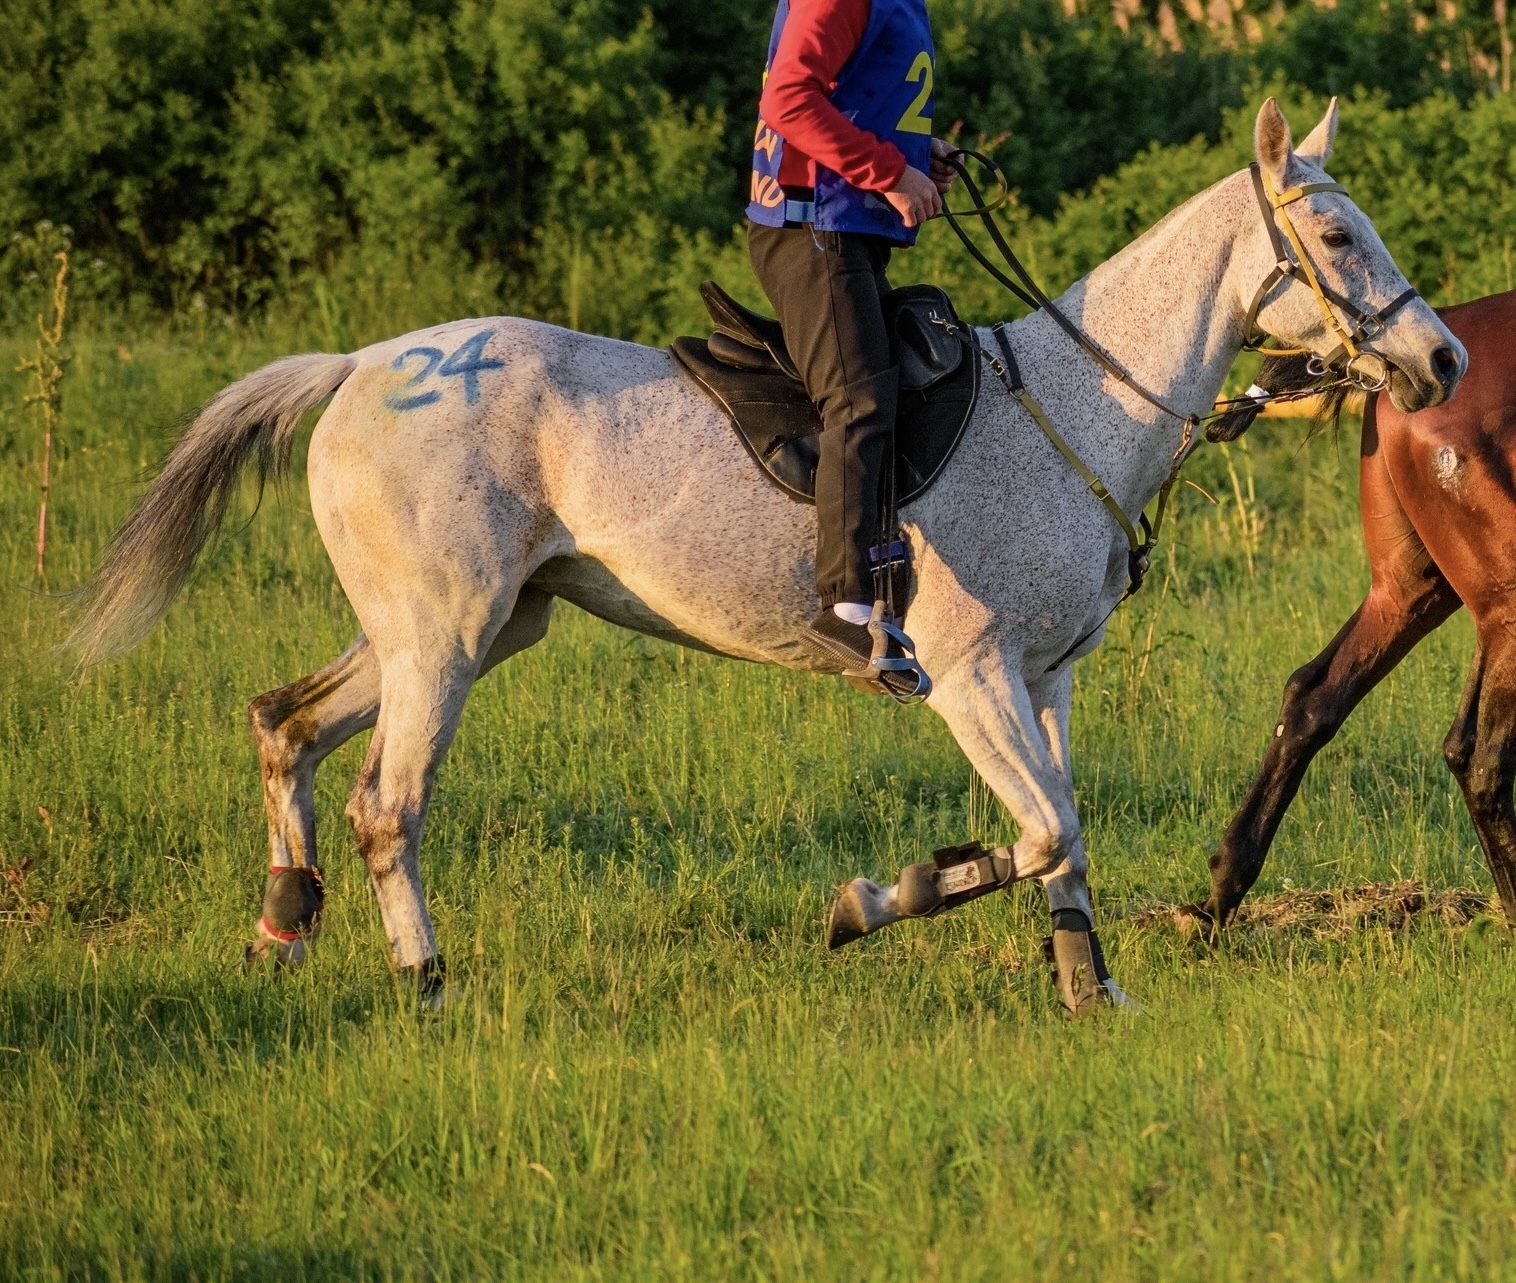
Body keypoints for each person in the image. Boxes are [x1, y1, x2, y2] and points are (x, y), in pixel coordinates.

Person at [747, 0, 957, 675]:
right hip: (814, 229)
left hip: (848, 227)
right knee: (860, 400)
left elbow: (861, 94)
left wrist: (923, 153)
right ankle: (843, 612)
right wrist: (892, 172)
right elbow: (789, 100)